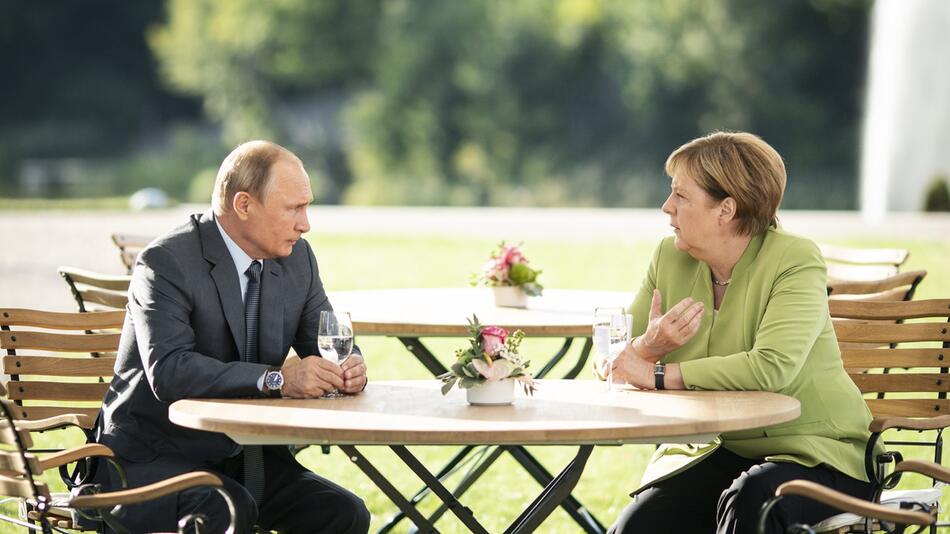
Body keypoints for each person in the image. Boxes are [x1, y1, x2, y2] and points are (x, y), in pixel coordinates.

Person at [605, 132, 881, 534]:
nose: (667, 208)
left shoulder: (795, 259)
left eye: (681, 196)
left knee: (752, 499)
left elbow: (772, 368)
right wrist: (649, 347)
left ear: (726, 209)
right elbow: (611, 359)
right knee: (642, 524)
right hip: (726, 449)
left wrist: (659, 374)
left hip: (819, 454)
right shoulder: (669, 257)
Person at [92, 140, 371, 533]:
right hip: (153, 464)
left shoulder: (298, 259)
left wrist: (350, 367)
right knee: (229, 509)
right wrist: (277, 378)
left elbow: (326, 341)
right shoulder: (166, 262)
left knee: (343, 513)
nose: (305, 223)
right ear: (243, 205)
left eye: (306, 207)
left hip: (250, 460)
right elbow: (169, 371)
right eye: (294, 208)